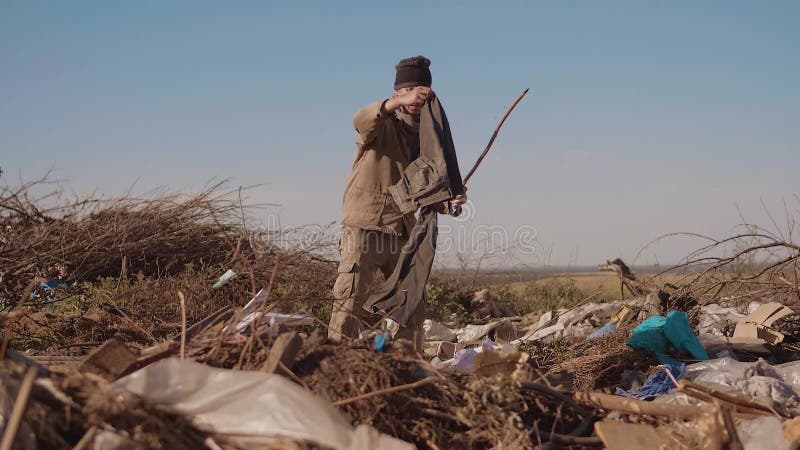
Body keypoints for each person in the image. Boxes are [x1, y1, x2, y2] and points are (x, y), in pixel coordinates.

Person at [328, 56, 466, 346]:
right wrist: (391, 105)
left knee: (411, 304)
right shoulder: (380, 125)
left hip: (403, 230)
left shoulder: (428, 137)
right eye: (410, 90)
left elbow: (421, 186)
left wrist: (448, 200)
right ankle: (336, 360)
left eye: (422, 91)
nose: (417, 98)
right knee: (349, 302)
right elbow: (360, 119)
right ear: (396, 93)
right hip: (366, 225)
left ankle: (407, 367)